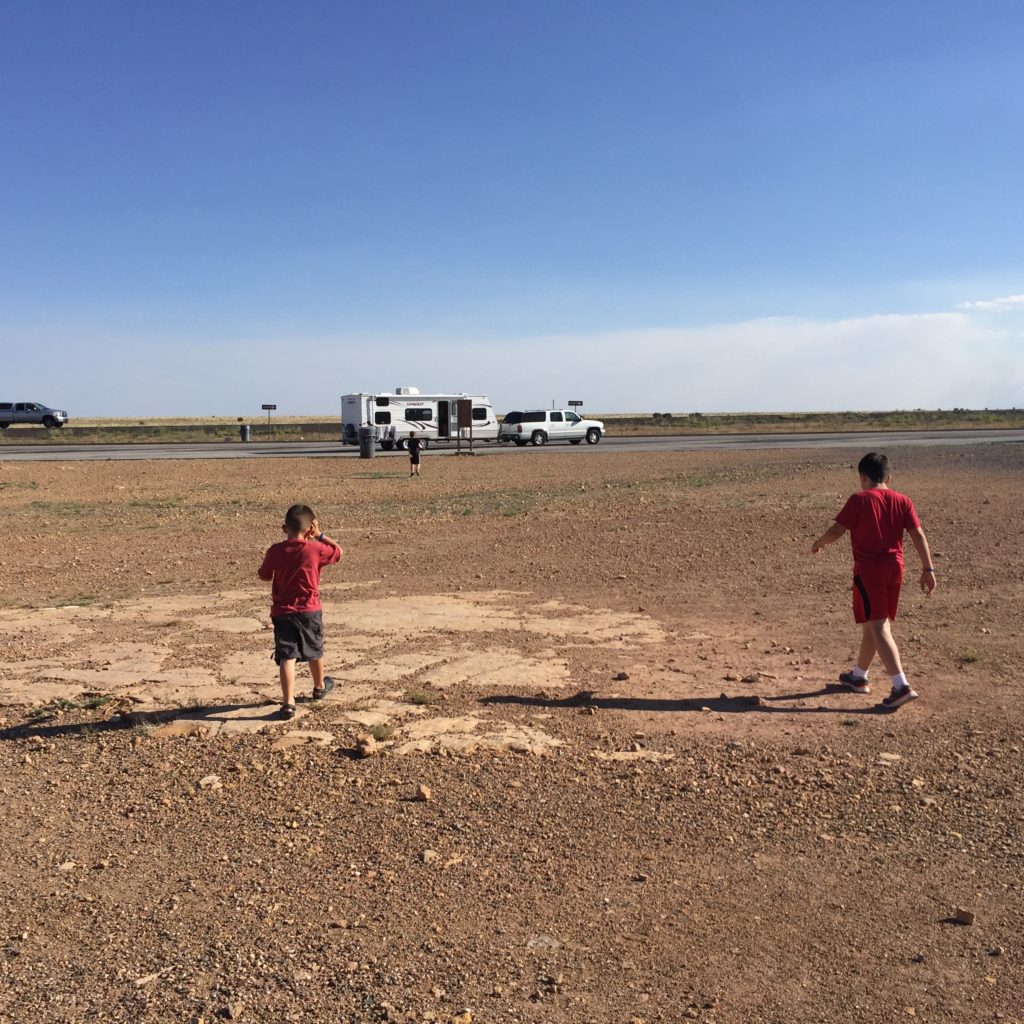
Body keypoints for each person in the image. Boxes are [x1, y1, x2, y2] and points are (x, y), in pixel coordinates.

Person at [811, 452, 936, 709]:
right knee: (873, 623)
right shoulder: (903, 500)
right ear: (888, 477)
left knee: (879, 627)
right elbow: (918, 535)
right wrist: (928, 569)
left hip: (869, 571)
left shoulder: (859, 499)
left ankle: (900, 685)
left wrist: (819, 543)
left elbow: (838, 530)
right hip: (895, 568)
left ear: (863, 477)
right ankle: (858, 677)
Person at [257, 503, 343, 719]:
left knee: (287, 656)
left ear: (284, 528)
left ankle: (288, 702)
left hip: (282, 612)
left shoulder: (275, 551)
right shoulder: (315, 549)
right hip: (309, 610)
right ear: (309, 529)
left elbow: (265, 575)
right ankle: (319, 687)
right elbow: (338, 552)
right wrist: (321, 535)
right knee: (315, 650)